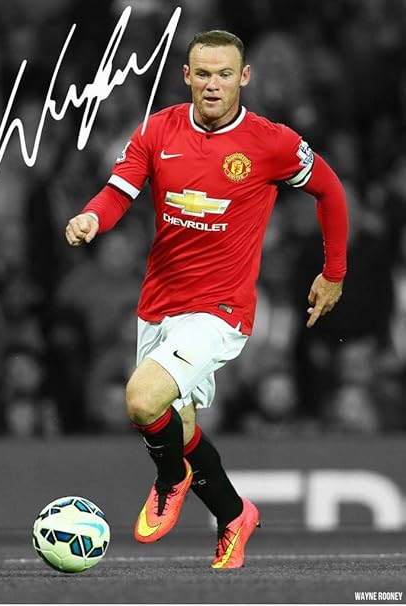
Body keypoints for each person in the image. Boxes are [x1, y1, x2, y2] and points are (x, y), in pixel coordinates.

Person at [65, 30, 348, 569]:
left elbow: (329, 190)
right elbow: (120, 189)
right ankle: (235, 515)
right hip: (159, 304)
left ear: (244, 77)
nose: (213, 84)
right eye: (203, 74)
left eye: (224, 74)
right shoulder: (158, 129)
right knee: (181, 427)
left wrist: (333, 273)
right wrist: (91, 218)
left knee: (142, 400)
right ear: (186, 76)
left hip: (221, 310)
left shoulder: (271, 143)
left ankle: (170, 480)